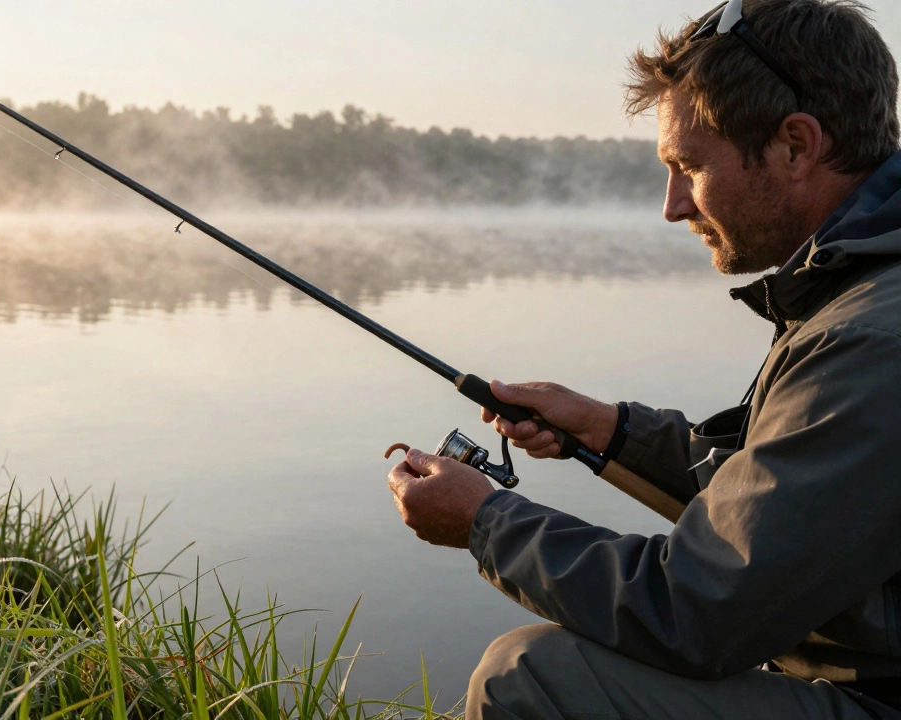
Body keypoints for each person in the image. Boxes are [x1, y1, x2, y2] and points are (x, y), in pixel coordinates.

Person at [385, 1, 901, 717]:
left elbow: (697, 611)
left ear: (795, 145)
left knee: (531, 676)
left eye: (688, 166)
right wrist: (609, 430)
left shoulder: (873, 337)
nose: (673, 206)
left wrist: (485, 521)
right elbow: (775, 505)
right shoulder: (859, 290)